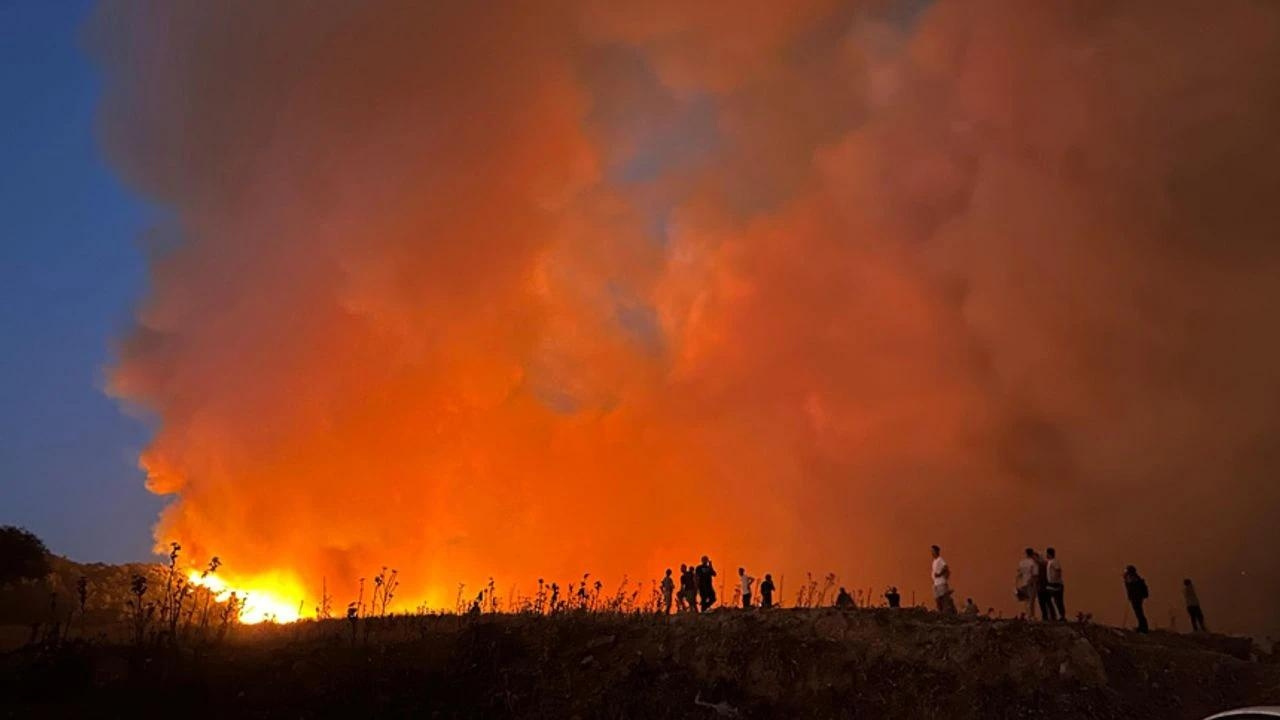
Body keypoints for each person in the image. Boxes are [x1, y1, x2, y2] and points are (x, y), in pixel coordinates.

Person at [1123, 565, 1150, 633]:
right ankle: (1142, 627)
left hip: (1136, 598)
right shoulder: (1133, 579)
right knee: (1139, 612)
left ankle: (1143, 628)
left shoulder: (1134, 580)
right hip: (1136, 598)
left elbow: (1133, 589)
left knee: (1139, 612)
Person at [1016, 548, 1040, 619]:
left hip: (1023, 583)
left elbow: (1019, 574)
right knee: (1031, 601)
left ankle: (1028, 615)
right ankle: (1031, 616)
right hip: (1031, 584)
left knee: (1026, 601)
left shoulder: (1022, 563)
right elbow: (1035, 575)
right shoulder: (1033, 563)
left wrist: (1017, 584)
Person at [931, 545, 957, 614]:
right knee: (937, 599)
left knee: (943, 599)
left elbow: (945, 567)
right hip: (936, 583)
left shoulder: (940, 559)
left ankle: (946, 614)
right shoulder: (934, 561)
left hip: (941, 583)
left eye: (933, 551)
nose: (932, 552)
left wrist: (939, 574)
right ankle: (941, 613)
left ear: (936, 551)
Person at [1044, 548, 1065, 620]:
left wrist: (1056, 581)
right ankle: (1053, 616)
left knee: (1058, 601)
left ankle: (1061, 616)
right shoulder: (1050, 562)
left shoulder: (1054, 562)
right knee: (1048, 600)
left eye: (1046, 553)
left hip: (1056, 584)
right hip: (1051, 584)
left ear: (1049, 554)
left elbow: (1058, 570)